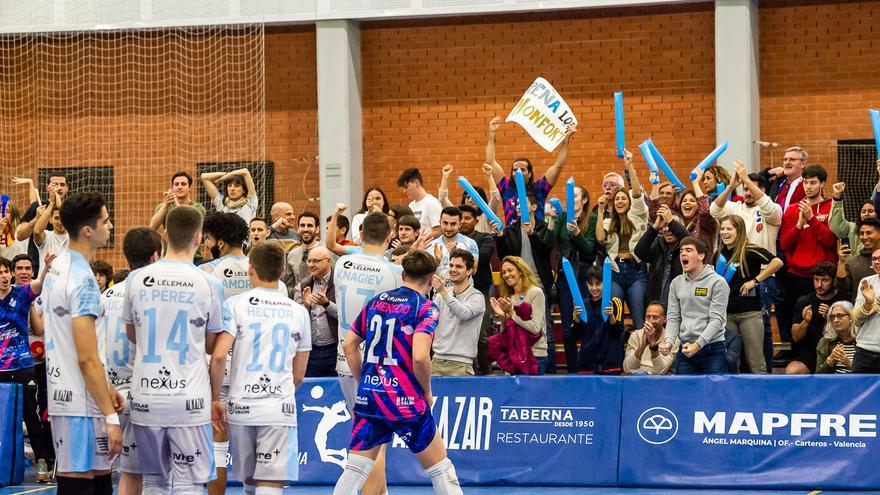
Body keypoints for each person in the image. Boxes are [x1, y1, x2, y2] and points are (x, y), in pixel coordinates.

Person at [333, 250, 462, 495]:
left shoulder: (376, 302)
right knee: (442, 472)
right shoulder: (425, 309)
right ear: (432, 278)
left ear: (403, 274)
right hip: (405, 400)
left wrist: (363, 381)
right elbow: (421, 356)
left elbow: (349, 344)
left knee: (354, 470)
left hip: (371, 398)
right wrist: (426, 391)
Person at [121, 205, 223, 495]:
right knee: (189, 483)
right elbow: (211, 344)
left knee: (154, 482)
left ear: (164, 234)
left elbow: (133, 334)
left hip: (145, 395)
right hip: (188, 397)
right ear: (200, 238)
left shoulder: (135, 279)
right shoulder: (209, 282)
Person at [209, 241, 311, 495]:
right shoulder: (299, 311)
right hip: (278, 406)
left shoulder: (235, 305)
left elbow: (219, 355)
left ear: (250, 269)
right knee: (270, 483)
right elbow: (299, 374)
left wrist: (214, 399)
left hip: (241, 405)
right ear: (284, 271)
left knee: (249, 481)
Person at [42, 192, 122, 495]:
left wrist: (108, 388)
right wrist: (111, 416)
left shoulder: (57, 266)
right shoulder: (82, 278)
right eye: (105, 220)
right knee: (85, 486)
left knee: (96, 480)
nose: (111, 226)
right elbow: (87, 357)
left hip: (66, 396)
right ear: (88, 230)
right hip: (82, 404)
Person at [200, 212, 280, 495]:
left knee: (218, 444)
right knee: (258, 446)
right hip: (257, 368)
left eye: (209, 238)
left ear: (219, 242)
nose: (206, 242)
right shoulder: (263, 270)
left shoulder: (207, 272)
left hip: (220, 362)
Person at [333, 209, 403, 495]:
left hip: (343, 361)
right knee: (373, 445)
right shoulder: (395, 272)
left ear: (360, 236)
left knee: (372, 439)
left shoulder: (343, 264)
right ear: (390, 238)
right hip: (377, 365)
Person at [98, 227, 162, 495]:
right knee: (156, 477)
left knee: (129, 473)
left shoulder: (107, 294)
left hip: (109, 393)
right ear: (156, 256)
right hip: (143, 392)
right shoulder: (153, 292)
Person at [0, 254, 55, 472]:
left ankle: (42, 460)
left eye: (5, 271)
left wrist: (45, 270)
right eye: (0, 272)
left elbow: (38, 286)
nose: (3, 276)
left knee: (30, 414)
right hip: (0, 368)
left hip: (23, 365)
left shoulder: (21, 294)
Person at [717, 215, 783, 374]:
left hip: (749, 314)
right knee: (731, 362)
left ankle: (761, 397)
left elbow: (777, 262)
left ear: (739, 231)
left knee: (756, 363)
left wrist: (755, 281)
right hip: (727, 315)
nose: (725, 232)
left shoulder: (750, 250)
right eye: (722, 229)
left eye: (729, 229)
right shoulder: (719, 254)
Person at [779, 165, 836, 343]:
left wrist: (811, 219)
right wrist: (799, 224)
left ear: (822, 184)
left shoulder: (831, 207)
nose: (808, 186)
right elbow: (785, 245)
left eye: (813, 182)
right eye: (805, 182)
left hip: (822, 276)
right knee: (799, 323)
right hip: (796, 276)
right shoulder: (792, 210)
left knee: (824, 324)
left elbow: (830, 240)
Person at [485, 115, 576, 225]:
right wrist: (491, 133)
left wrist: (566, 139)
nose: (517, 172)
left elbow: (558, 166)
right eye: (515, 170)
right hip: (513, 238)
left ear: (530, 173)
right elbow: (491, 161)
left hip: (536, 236)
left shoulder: (539, 189)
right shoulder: (506, 188)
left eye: (522, 169)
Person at [545, 183, 595, 373]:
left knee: (586, 320)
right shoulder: (563, 217)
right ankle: (572, 370)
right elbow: (549, 243)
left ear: (583, 200)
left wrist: (577, 234)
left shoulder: (591, 219)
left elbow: (590, 251)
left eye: (575, 196)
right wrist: (552, 221)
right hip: (565, 276)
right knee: (568, 326)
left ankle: (587, 366)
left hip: (584, 276)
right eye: (569, 196)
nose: (570, 199)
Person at [596, 150, 649, 330]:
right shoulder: (608, 221)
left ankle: (642, 356)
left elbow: (636, 193)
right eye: (617, 198)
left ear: (628, 201)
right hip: (615, 271)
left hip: (636, 270)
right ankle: (616, 355)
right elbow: (600, 238)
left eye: (623, 198)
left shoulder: (637, 214)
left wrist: (629, 166)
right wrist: (601, 210)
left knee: (638, 317)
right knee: (615, 317)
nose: (619, 201)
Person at [660, 237, 729, 374]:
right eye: (681, 251)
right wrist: (668, 341)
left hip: (712, 350)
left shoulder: (718, 282)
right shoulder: (676, 283)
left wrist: (698, 345)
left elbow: (717, 320)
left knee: (715, 394)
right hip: (685, 349)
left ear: (701, 256)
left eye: (689, 250)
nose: (683, 254)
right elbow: (673, 317)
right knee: (685, 394)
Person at [430, 249, 485, 376]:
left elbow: (463, 314)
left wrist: (443, 292)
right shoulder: (440, 295)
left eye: (459, 266)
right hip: (437, 361)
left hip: (461, 364)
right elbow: (429, 319)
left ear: (470, 271)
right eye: (451, 265)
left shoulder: (477, 297)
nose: (453, 269)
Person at [490, 256, 549, 373]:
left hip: (535, 355)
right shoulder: (509, 297)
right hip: (513, 355)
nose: (506, 275)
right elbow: (506, 333)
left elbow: (535, 328)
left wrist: (511, 313)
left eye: (510, 270)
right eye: (504, 272)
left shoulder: (536, 292)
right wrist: (503, 316)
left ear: (521, 271)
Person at [786, 262, 847, 374]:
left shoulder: (842, 301)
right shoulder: (804, 301)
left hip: (837, 351)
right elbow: (796, 336)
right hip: (810, 353)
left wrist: (832, 318)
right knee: (792, 371)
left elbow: (850, 334)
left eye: (824, 280)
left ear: (833, 281)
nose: (819, 285)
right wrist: (806, 321)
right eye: (816, 279)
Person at [457, 205, 496, 375]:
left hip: (481, 291)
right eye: (462, 219)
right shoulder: (451, 239)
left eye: (468, 218)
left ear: (476, 220)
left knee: (481, 336)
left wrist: (459, 253)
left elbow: (484, 256)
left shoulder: (484, 237)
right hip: (457, 294)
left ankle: (487, 373)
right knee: (462, 338)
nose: (464, 222)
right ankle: (469, 374)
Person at [711, 162, 782, 254]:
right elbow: (714, 210)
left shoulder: (774, 208)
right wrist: (730, 187)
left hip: (764, 267)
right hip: (737, 265)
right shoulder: (735, 207)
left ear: (763, 190)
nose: (748, 193)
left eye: (751, 189)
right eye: (745, 189)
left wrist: (746, 179)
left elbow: (769, 210)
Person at [293, 246, 338, 377]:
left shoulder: (339, 283)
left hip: (334, 350)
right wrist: (306, 306)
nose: (311, 265)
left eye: (316, 261)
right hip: (310, 351)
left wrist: (327, 304)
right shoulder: (302, 286)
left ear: (328, 261)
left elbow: (345, 316)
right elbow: (295, 320)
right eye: (309, 261)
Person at [633, 206, 689, 308]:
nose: (667, 229)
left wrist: (672, 222)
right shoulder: (659, 244)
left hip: (679, 305)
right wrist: (655, 227)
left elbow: (691, 241)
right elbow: (639, 252)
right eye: (665, 225)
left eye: (671, 225)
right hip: (656, 305)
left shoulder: (688, 249)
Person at [15, 174, 69, 274]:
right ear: (47, 187)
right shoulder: (37, 206)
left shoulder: (72, 208)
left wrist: (60, 206)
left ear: (67, 188)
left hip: (64, 267)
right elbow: (20, 236)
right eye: (54, 184)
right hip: (36, 265)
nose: (59, 188)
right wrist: (36, 218)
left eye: (62, 184)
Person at [571, 280, 625, 375]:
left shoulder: (614, 303)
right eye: (591, 284)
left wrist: (611, 317)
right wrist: (577, 320)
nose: (594, 288)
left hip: (610, 365)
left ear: (605, 283)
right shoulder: (581, 305)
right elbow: (575, 335)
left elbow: (618, 334)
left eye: (598, 284)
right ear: (587, 284)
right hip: (587, 366)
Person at [438, 163, 502, 234]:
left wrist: (489, 176)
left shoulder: (486, 215)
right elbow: (443, 198)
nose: (470, 200)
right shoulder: (456, 216)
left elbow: (495, 197)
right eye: (468, 197)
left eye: (474, 198)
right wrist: (445, 176)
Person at [623, 302, 678, 375]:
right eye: (648, 317)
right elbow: (628, 368)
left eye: (655, 317)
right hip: (636, 377)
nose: (651, 321)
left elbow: (661, 371)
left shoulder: (671, 340)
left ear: (665, 319)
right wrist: (642, 346)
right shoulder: (635, 335)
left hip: (658, 379)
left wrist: (653, 346)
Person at [427, 207, 480, 280]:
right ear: (440, 222)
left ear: (460, 224)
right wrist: (436, 262)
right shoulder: (431, 245)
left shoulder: (470, 243)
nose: (448, 228)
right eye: (445, 223)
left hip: (464, 290)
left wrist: (457, 255)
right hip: (439, 290)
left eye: (453, 224)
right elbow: (425, 274)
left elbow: (474, 270)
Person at [850, 249, 880, 373]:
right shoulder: (866, 282)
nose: (877, 262)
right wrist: (868, 304)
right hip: (865, 349)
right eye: (874, 259)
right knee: (856, 391)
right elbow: (856, 320)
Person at [829, 182, 876, 256]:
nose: (866, 214)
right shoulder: (852, 227)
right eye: (863, 211)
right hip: (854, 266)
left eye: (871, 211)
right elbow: (836, 225)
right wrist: (837, 197)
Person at [837, 219, 880, 298]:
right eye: (861, 233)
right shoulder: (852, 261)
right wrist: (841, 262)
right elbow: (842, 289)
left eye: (868, 233)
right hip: (860, 308)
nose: (864, 237)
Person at [397, 168, 443, 236]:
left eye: (406, 187)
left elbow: (439, 230)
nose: (404, 191)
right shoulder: (411, 205)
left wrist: (421, 239)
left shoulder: (432, 203)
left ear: (416, 183)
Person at [762, 146, 808, 212]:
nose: (787, 162)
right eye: (785, 159)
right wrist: (769, 172)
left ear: (803, 164)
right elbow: (755, 181)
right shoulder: (779, 182)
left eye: (792, 159)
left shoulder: (807, 185)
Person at [815, 301, 855, 374]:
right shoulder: (825, 342)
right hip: (833, 383)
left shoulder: (862, 341)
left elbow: (871, 375)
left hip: (859, 384)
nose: (835, 320)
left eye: (840, 315)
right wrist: (829, 361)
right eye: (833, 317)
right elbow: (818, 374)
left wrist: (849, 364)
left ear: (851, 317)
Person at [284, 211, 321, 290]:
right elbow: (289, 284)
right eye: (302, 225)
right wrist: (296, 292)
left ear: (317, 229)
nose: (305, 229)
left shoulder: (326, 251)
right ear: (298, 228)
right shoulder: (292, 254)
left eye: (310, 225)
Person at [33, 183, 70, 261]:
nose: (60, 222)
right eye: (56, 218)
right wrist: (52, 203)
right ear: (50, 220)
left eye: (63, 218)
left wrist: (60, 207)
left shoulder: (75, 237)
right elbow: (37, 231)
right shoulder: (47, 236)